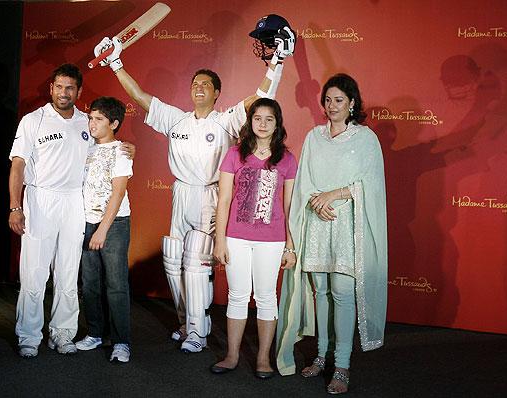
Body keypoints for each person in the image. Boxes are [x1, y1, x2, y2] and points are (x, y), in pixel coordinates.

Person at [92, 15, 295, 353]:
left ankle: (198, 335)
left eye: (206, 84)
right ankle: (188, 322)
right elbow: (141, 97)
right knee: (173, 259)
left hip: (210, 196)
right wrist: (115, 64)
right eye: (195, 83)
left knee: (195, 262)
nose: (198, 87)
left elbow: (261, 98)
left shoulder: (227, 119)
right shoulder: (177, 119)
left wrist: (277, 63)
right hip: (181, 194)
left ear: (216, 93)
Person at [8, 64, 134, 358]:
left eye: (70, 88)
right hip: (40, 199)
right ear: (51, 87)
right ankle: (29, 335)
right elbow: (17, 165)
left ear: (78, 91)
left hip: (75, 201)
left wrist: (128, 148)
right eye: (59, 86)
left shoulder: (86, 122)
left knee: (67, 272)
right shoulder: (32, 121)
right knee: (34, 272)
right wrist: (15, 206)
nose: (64, 93)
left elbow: (108, 146)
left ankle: (63, 333)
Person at [275, 74, 388, 394]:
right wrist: (316, 200)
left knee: (341, 292)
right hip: (317, 222)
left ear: (352, 103)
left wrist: (333, 195)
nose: (332, 106)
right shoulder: (314, 137)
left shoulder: (365, 139)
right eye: (328, 100)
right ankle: (321, 356)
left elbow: (371, 185)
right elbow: (305, 179)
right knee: (320, 291)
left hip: (347, 225)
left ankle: (342, 366)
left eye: (339, 100)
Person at [209, 98, 297, 379]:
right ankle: (232, 355)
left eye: (269, 119)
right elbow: (223, 200)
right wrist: (220, 240)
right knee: (237, 296)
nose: (262, 124)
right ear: (250, 122)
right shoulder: (234, 154)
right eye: (257, 118)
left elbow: (289, 206)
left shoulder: (288, 159)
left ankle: (263, 358)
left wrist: (290, 245)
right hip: (236, 237)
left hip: (272, 240)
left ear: (277, 124)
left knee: (266, 297)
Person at [74, 97, 133, 363]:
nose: (92, 123)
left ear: (114, 123)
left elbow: (118, 193)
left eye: (99, 119)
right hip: (85, 223)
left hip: (114, 224)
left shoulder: (121, 151)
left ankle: (121, 342)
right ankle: (96, 333)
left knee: (116, 285)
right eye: (91, 118)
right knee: (89, 284)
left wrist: (102, 230)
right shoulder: (85, 147)